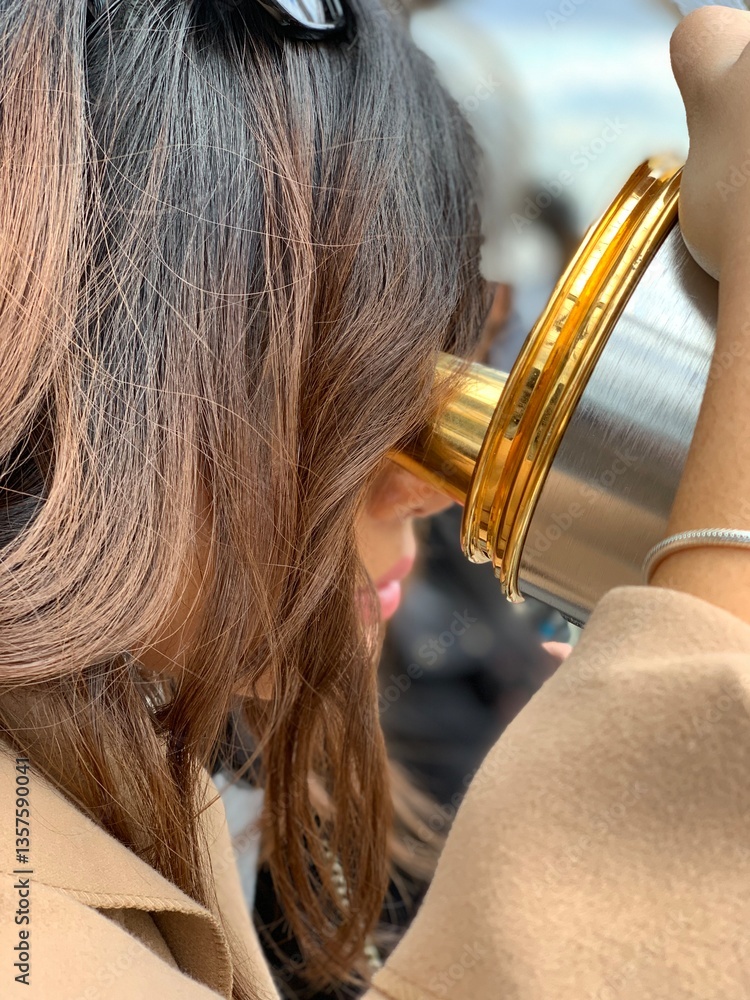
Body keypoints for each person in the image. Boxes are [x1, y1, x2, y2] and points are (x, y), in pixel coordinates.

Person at [0, 2, 749, 998]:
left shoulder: (113, 777)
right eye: (349, 401)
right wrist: (652, 785)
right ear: (102, 390)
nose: (428, 488)